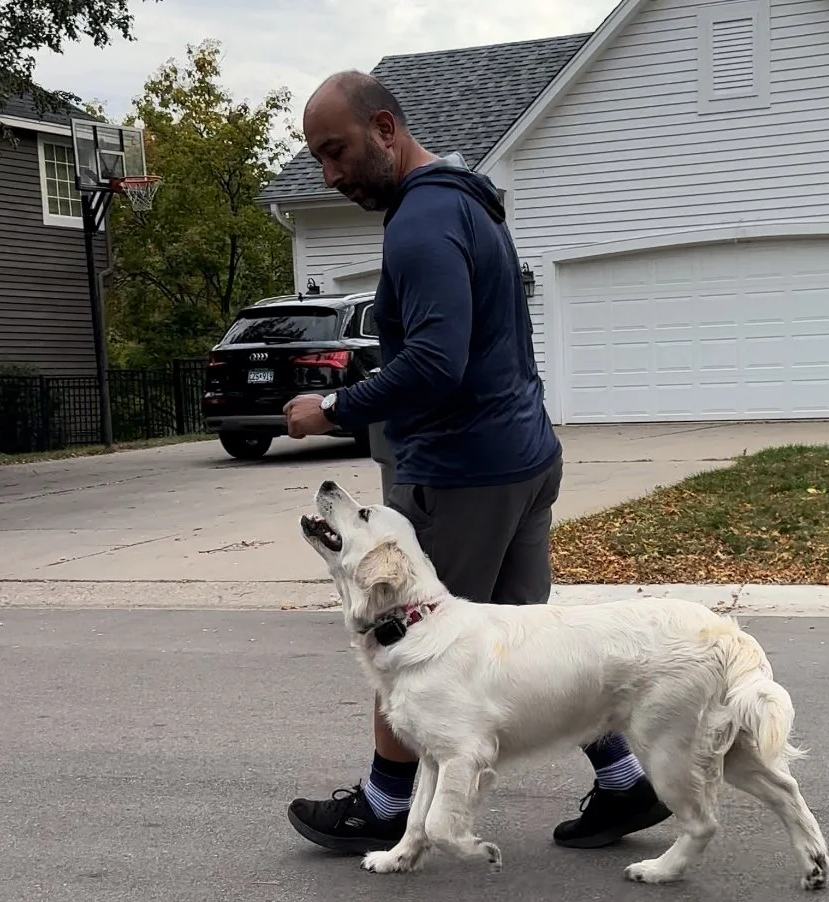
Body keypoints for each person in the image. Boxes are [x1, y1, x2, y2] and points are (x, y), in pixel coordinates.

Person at [281, 71, 671, 856]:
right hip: (520, 457)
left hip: (461, 471)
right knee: (531, 648)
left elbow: (434, 360)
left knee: (408, 638)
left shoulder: (421, 223)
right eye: (317, 159)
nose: (329, 174)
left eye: (337, 151)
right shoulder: (470, 201)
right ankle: (627, 783)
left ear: (385, 129)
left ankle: (387, 804)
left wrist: (331, 408)